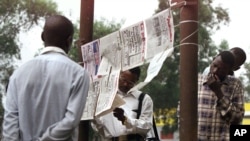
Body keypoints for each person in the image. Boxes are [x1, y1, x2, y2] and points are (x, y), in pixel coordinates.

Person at [2, 15, 90, 141]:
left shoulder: (18, 74)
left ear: (43, 36)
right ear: (69, 40)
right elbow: (71, 121)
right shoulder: (79, 74)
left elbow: (10, 122)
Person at [91, 67, 155, 141]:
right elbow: (99, 128)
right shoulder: (105, 97)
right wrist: (94, 119)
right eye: (123, 80)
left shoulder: (144, 99)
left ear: (136, 81)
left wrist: (125, 120)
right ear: (118, 75)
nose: (125, 84)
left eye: (130, 83)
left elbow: (146, 126)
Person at [198, 51, 245, 140]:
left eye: (222, 70)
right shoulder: (197, 81)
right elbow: (183, 113)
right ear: (212, 60)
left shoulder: (235, 85)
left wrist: (218, 92)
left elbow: (238, 118)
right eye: (214, 66)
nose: (215, 71)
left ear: (230, 71)